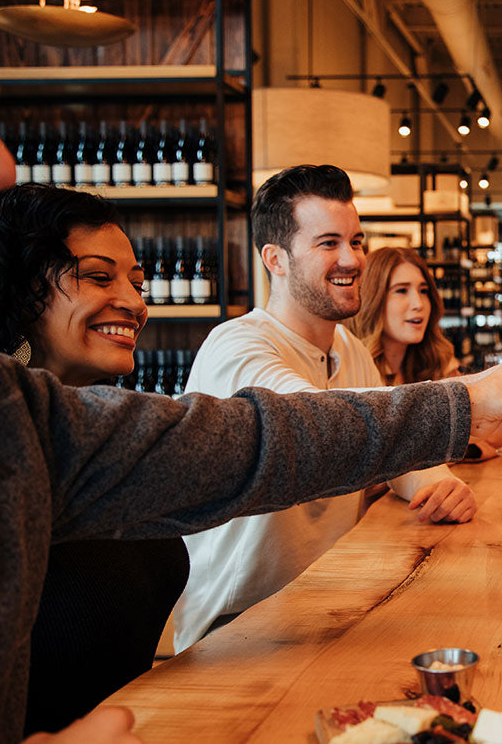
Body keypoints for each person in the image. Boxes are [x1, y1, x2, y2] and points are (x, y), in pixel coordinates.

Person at [0, 0, 502, 742]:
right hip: (244, 633)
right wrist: (461, 406)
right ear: (276, 259)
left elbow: (248, 444)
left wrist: (463, 407)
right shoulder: (237, 346)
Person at [171, 166, 476, 653]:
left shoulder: (349, 349)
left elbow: (395, 448)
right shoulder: (238, 346)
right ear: (276, 259)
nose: (352, 259)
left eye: (356, 241)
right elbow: (320, 423)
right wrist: (473, 402)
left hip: (326, 599)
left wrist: (436, 484)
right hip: (236, 622)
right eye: (328, 243)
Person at [0, 184, 190, 735]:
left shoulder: (113, 425)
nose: (134, 301)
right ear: (21, 290)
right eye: (100, 277)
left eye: (137, 281)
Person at [347, 245, 502, 459]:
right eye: (401, 291)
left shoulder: (436, 360)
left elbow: (497, 434)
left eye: (423, 291)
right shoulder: (353, 369)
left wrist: (435, 450)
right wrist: (455, 447)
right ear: (372, 299)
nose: (418, 303)